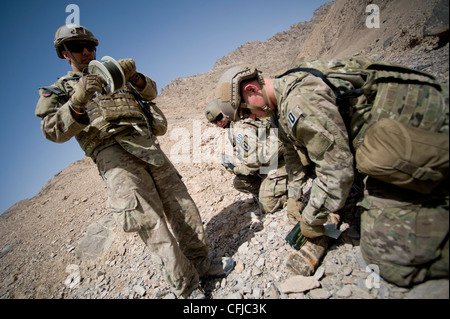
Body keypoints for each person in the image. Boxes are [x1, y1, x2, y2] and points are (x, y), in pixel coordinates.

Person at [212, 59, 449, 287]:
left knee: (386, 256)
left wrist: (312, 220)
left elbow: (337, 170)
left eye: (245, 113)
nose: (250, 119)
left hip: (418, 131)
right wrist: (295, 197)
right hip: (383, 139)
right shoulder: (280, 103)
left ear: (252, 89)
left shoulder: (299, 101)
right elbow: (293, 156)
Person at [35, 24, 211, 298]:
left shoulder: (113, 74)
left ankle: (203, 264)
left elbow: (151, 92)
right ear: (63, 53)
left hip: (147, 145)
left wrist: (136, 76)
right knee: (149, 222)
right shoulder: (59, 90)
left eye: (90, 46)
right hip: (112, 156)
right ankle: (187, 289)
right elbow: (52, 131)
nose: (86, 52)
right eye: (77, 48)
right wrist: (77, 102)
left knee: (182, 206)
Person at [205, 99, 288, 214]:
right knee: (240, 182)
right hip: (265, 165)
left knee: (268, 206)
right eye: (215, 122)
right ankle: (267, 191)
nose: (219, 123)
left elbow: (254, 162)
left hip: (280, 162)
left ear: (226, 112)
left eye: (219, 118)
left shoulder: (240, 127)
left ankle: (288, 191)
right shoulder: (232, 127)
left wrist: (236, 169)